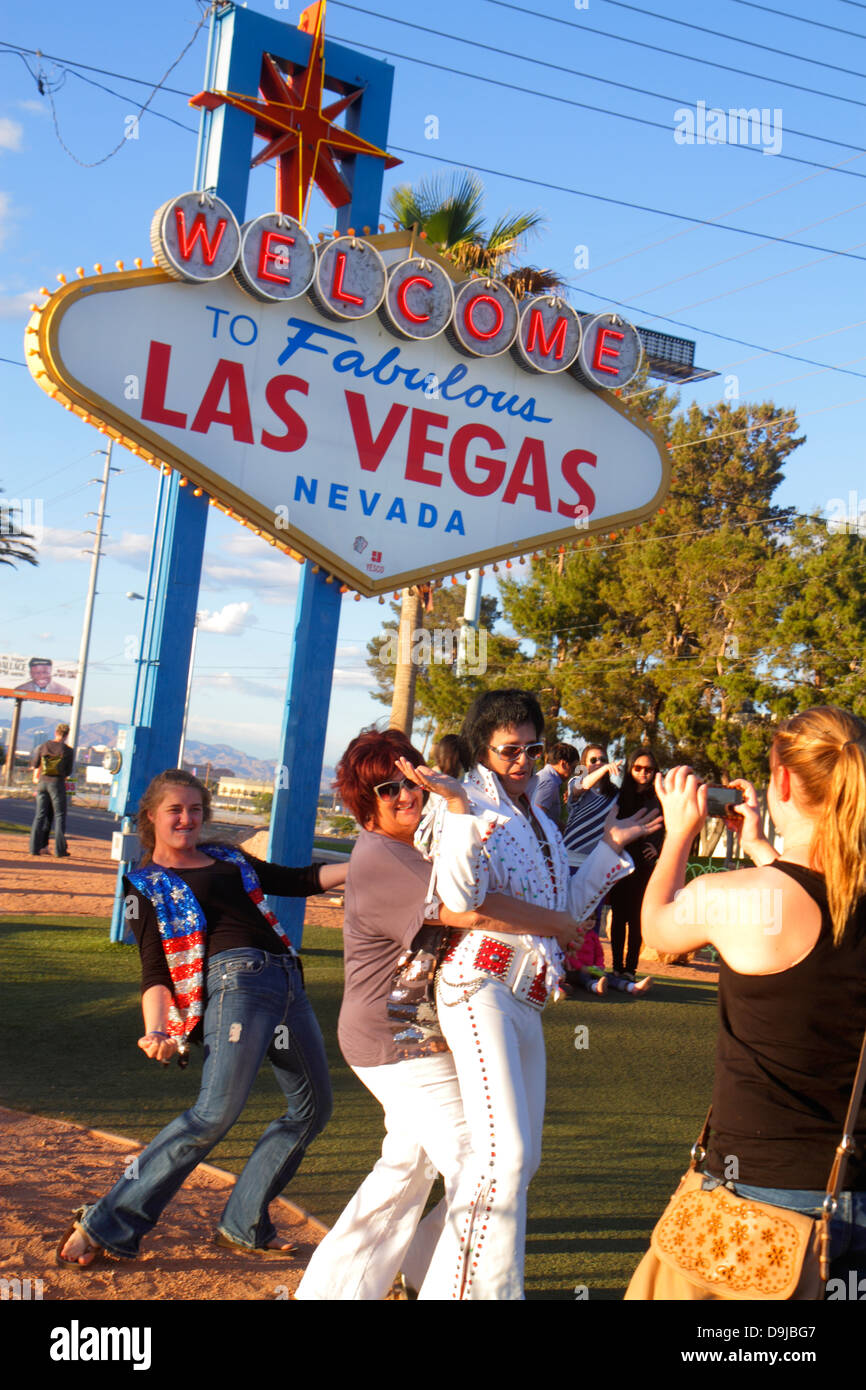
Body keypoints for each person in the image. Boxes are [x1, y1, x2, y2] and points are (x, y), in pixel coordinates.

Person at [295, 728, 580, 1301]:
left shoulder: (413, 846)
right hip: (393, 1036)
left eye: (410, 780)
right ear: (363, 801)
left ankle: (348, 1289)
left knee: (407, 1170)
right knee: (485, 1159)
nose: (405, 795)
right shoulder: (384, 856)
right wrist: (559, 924)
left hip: (417, 1028)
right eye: (386, 789)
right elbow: (470, 911)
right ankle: (449, 1284)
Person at [409, 689, 657, 1298]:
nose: (522, 760)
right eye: (508, 749)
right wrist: (462, 807)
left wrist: (611, 846)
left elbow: (564, 910)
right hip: (477, 986)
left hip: (526, 996)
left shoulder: (544, 818)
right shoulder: (459, 803)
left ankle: (429, 1271)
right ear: (481, 749)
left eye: (533, 748)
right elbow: (462, 902)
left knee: (520, 1163)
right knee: (506, 1160)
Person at [56, 768, 346, 1267]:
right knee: (213, 1113)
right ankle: (106, 1221)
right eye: (176, 810)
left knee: (312, 1108)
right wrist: (155, 1028)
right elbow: (153, 971)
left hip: (287, 987)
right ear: (151, 816)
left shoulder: (228, 858)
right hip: (238, 986)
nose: (188, 819)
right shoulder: (143, 885)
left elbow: (295, 880)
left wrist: (367, 861)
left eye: (195, 810)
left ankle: (243, 1224)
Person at [639, 705, 866, 1293]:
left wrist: (679, 835)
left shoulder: (734, 898)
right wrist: (764, 849)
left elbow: (658, 934)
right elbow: (825, 900)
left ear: (784, 781)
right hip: (852, 1194)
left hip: (760, 1204)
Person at [606, 747, 664, 993]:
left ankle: (631, 969)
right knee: (619, 917)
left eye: (649, 769)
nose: (643, 773)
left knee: (637, 919)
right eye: (638, 768)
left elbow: (668, 829)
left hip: (645, 867)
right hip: (622, 863)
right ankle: (617, 968)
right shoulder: (620, 797)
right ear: (630, 769)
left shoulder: (660, 798)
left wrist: (658, 850)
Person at [29, 722, 74, 857]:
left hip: (42, 783)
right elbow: (68, 771)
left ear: (56, 732)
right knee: (59, 816)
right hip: (57, 784)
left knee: (40, 815)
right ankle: (60, 850)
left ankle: (34, 848)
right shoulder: (67, 750)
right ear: (66, 735)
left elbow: (35, 764)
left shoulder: (44, 746)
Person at [530, 741, 579, 827]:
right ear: (563, 764)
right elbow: (536, 818)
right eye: (573, 767)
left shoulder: (545, 777)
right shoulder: (549, 783)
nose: (573, 772)